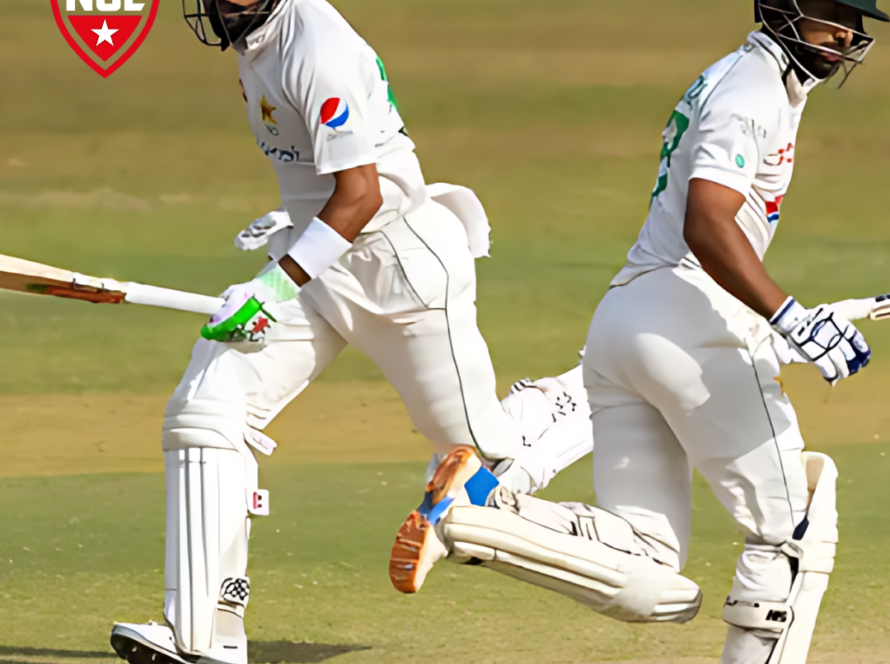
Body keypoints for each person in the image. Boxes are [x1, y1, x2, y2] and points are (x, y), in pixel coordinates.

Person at [389, 2, 885, 663]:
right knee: (791, 529)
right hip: (686, 317)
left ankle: (477, 511)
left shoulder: (748, 79)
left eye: (854, 18)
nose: (845, 34)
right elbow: (707, 224)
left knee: (649, 568)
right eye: (831, 12)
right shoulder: (752, 87)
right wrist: (785, 315)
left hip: (629, 322)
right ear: (779, 6)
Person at [108, 1, 593, 663]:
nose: (224, 3)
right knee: (206, 409)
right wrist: (288, 234)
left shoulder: (316, 43)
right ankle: (205, 634)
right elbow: (321, 178)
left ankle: (591, 392)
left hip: (401, 270)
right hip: (322, 266)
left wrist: (271, 287)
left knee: (482, 468)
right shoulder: (257, 39)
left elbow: (362, 192)